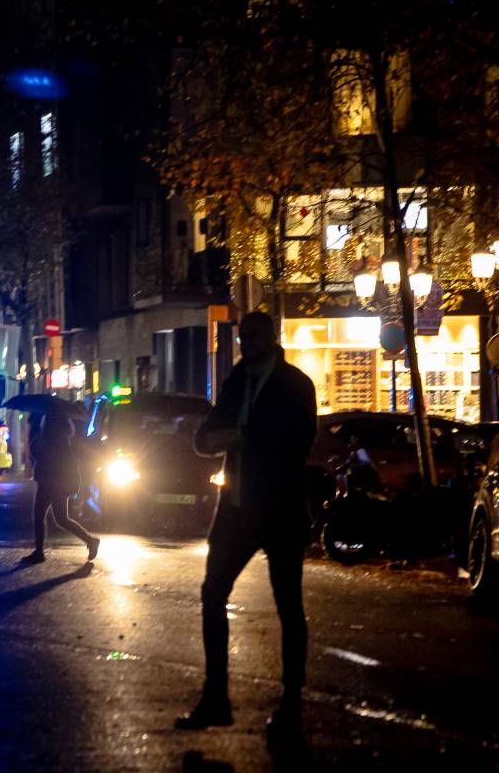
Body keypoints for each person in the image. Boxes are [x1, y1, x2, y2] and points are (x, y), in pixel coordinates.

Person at [177, 311, 317, 739]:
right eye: (243, 337)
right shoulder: (237, 378)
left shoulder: (295, 384)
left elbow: (298, 442)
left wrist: (242, 437)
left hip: (279, 508)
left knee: (288, 606)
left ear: (271, 339)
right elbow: (209, 432)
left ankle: (291, 702)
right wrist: (207, 441)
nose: (247, 344)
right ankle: (215, 697)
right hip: (236, 507)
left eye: (254, 337)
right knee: (212, 592)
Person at [22, 412, 101, 564]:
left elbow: (37, 454)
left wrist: (35, 433)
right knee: (60, 518)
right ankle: (90, 541)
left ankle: (90, 541)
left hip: (50, 482)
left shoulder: (49, 439)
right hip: (57, 482)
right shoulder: (63, 439)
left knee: (46, 517)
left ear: (50, 424)